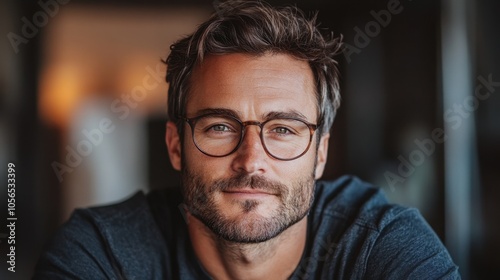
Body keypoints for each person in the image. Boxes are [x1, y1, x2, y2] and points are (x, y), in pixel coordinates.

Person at [33, 1, 461, 279]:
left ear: (320, 154)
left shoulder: (379, 245)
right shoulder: (102, 254)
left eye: (284, 129)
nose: (251, 160)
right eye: (220, 126)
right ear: (176, 145)